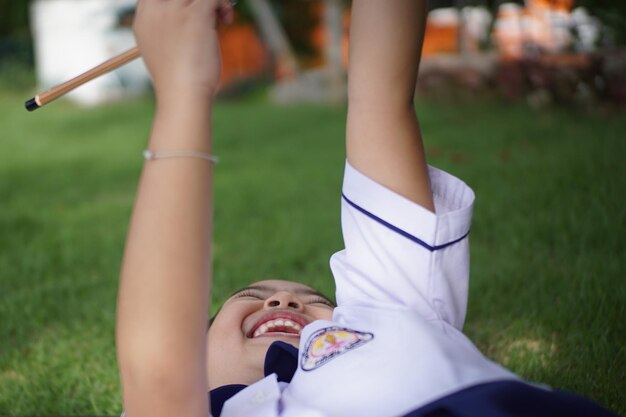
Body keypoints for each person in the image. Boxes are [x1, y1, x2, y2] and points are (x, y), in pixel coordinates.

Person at [115, 1, 617, 416]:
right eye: (251, 295)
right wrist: (182, 86)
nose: (284, 302)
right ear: (194, 360)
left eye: (315, 302)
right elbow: (158, 379)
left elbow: (379, 102)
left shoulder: (384, 309)